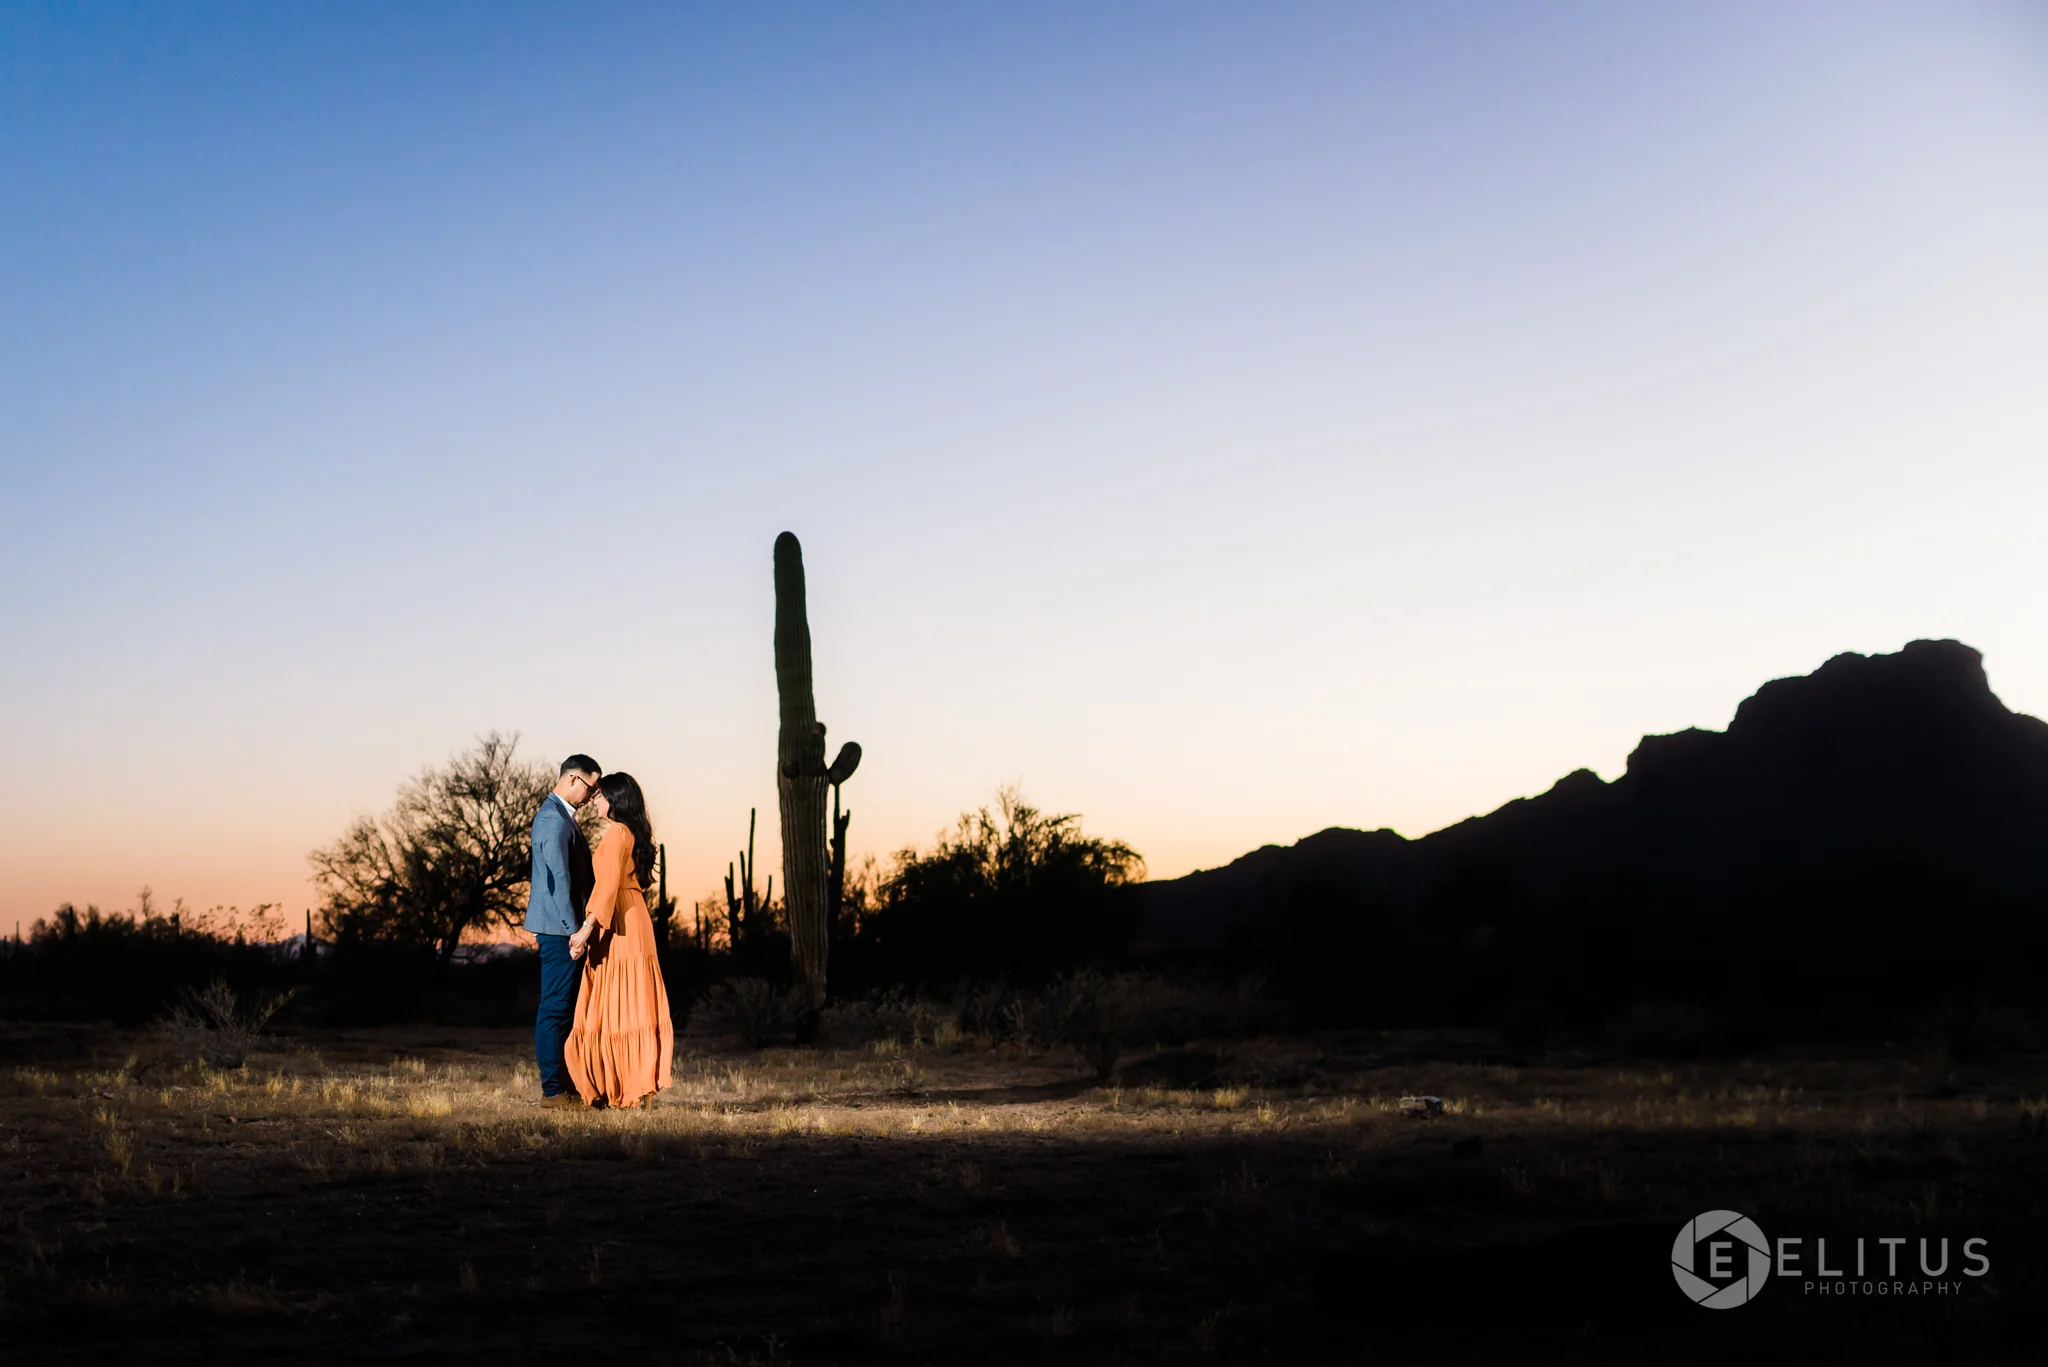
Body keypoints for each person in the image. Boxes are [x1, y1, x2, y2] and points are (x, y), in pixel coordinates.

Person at [564, 772, 675, 1109]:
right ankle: (634, 1084)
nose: (594, 801)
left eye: (600, 796)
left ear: (614, 799)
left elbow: (608, 886)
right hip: (634, 916)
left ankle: (621, 1085)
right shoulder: (633, 832)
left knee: (616, 1002)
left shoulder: (616, 833)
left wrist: (584, 930)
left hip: (618, 919)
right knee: (632, 1002)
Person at [525, 754, 601, 1109]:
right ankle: (552, 1091)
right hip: (559, 930)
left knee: (564, 1009)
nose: (592, 796)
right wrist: (575, 931)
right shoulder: (553, 821)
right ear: (573, 779)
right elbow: (558, 882)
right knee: (554, 1009)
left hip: (562, 927)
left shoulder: (560, 817)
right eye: (590, 787)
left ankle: (563, 1088)